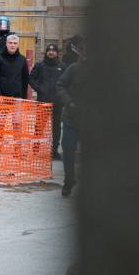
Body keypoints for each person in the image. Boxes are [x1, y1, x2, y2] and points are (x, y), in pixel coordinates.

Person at [56, 39, 87, 197]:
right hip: (71, 118)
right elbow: (60, 85)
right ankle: (69, 179)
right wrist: (69, 102)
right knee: (68, 150)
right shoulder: (74, 68)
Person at [29, 44, 67, 159]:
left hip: (57, 103)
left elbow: (66, 83)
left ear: (57, 53)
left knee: (56, 128)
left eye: (53, 51)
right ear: (46, 52)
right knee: (39, 127)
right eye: (49, 51)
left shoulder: (62, 67)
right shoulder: (40, 65)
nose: (51, 52)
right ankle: (35, 149)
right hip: (43, 102)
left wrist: (63, 96)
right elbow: (31, 78)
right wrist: (39, 89)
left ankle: (54, 151)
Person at [0, 34, 29, 98]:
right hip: (1, 97)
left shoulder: (22, 59)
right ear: (6, 44)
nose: (12, 45)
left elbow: (25, 79)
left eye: (15, 43)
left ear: (18, 45)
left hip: (17, 98)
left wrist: (24, 97)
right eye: (10, 43)